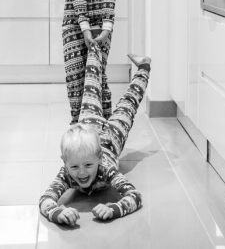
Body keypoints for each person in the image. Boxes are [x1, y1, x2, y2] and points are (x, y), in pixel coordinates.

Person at [39, 47, 151, 225]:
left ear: (99, 158)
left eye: (89, 165)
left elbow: (135, 196)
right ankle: (137, 62)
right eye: (74, 166)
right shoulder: (66, 173)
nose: (82, 172)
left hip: (109, 139)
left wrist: (114, 209)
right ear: (64, 161)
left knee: (98, 89)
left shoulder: (105, 168)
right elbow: (45, 199)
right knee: (123, 102)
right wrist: (56, 212)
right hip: (96, 132)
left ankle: (102, 48)